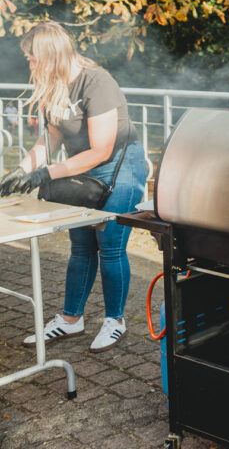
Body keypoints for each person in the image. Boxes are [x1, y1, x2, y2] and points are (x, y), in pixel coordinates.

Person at [0, 22, 148, 351]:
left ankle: (115, 320)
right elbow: (51, 137)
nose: (30, 64)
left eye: (33, 57)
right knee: (80, 244)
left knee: (109, 244)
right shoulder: (53, 85)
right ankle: (71, 319)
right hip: (80, 168)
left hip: (119, 168)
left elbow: (102, 150)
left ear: (51, 55)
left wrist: (47, 174)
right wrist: (21, 170)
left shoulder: (96, 82)